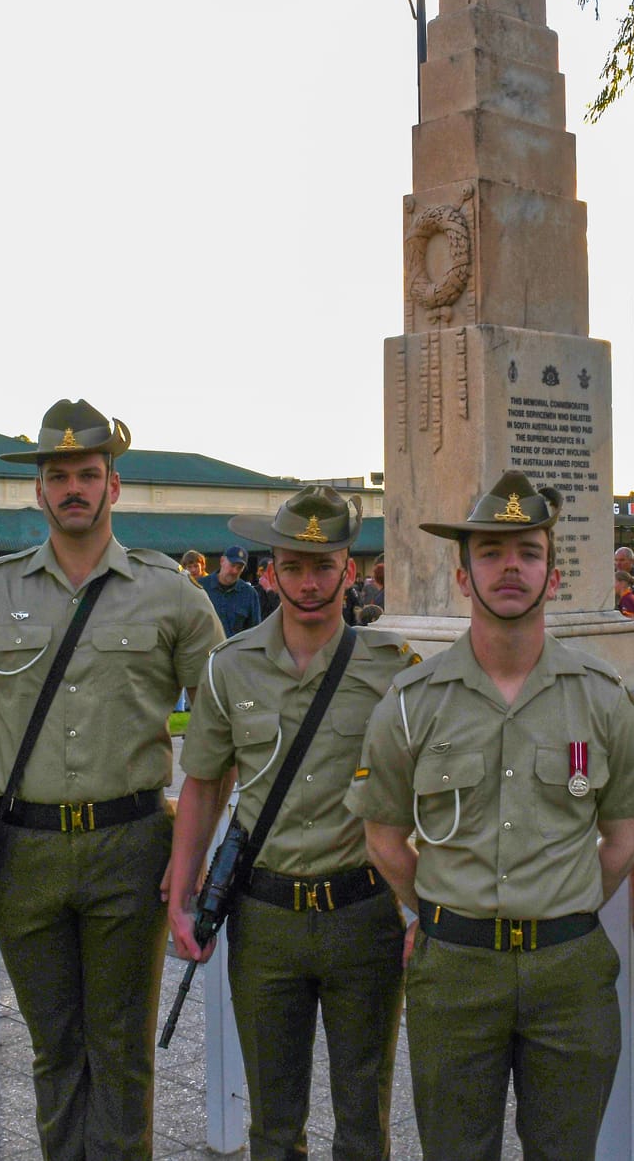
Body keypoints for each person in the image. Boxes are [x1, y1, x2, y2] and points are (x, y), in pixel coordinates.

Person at [0, 400, 224, 1161]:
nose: (72, 488)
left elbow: (227, 723)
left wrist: (191, 852)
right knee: (56, 1049)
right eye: (57, 474)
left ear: (114, 486)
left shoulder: (170, 591)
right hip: (23, 848)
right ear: (38, 490)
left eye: (87, 473)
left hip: (131, 844)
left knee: (122, 1052)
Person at [348, 471, 634, 1160]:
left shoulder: (603, 699)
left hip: (569, 970)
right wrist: (438, 910)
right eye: (490, 552)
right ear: (464, 577)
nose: (509, 566)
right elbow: (384, 835)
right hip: (455, 971)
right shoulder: (411, 700)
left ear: (552, 575)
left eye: (527, 550)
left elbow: (625, 834)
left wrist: (565, 901)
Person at [169, 487, 415, 1160]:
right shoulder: (230, 666)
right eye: (294, 566)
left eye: (324, 565)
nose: (310, 583)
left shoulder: (392, 669)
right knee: (273, 1125)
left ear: (348, 570)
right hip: (265, 916)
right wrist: (181, 891)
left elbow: (424, 794)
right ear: (270, 571)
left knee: (364, 1119)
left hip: (361, 911)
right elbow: (204, 784)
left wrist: (424, 904)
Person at [204, 545, 266, 638]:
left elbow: (254, 632)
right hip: (206, 650)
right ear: (222, 561)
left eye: (240, 567)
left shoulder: (249, 594)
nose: (234, 571)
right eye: (232, 565)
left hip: (235, 650)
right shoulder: (201, 587)